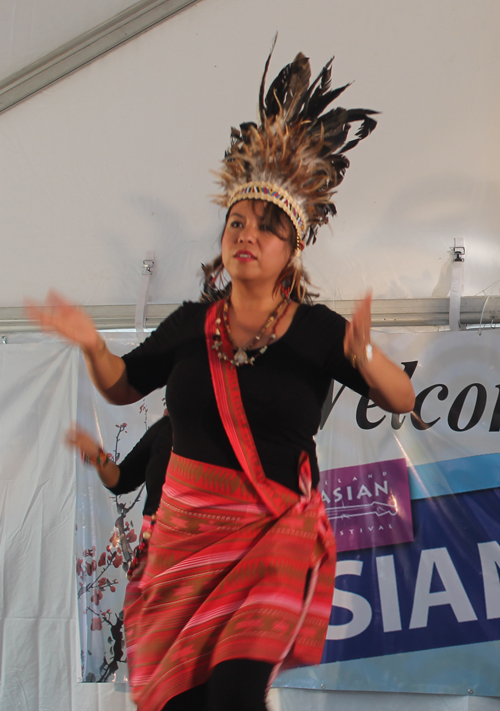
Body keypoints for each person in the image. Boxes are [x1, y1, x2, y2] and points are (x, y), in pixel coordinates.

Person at [27, 46, 415, 711]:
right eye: (237, 221)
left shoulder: (318, 331)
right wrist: (93, 345)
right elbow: (124, 386)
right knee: (182, 702)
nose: (246, 234)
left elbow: (399, 397)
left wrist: (366, 352)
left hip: (270, 535)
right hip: (183, 538)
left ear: (293, 248)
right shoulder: (190, 323)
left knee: (235, 690)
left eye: (266, 227)